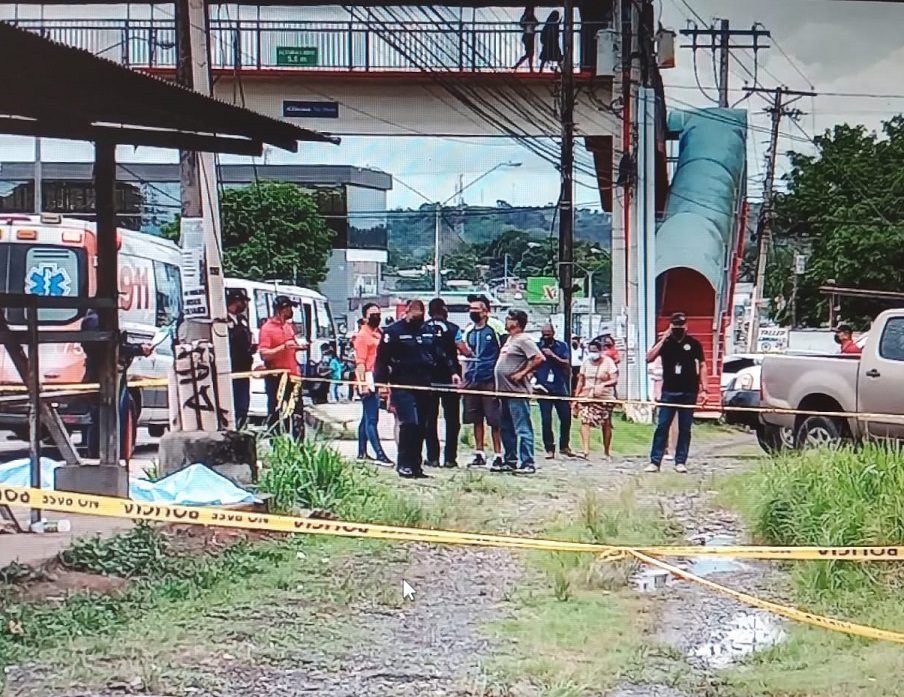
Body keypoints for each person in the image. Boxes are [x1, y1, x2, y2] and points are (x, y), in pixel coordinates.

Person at [374, 299, 437, 479]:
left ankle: (416, 465)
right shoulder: (393, 332)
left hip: (424, 384)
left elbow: (436, 355)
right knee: (409, 423)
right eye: (414, 315)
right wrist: (382, 385)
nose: (418, 318)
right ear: (407, 312)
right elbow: (382, 361)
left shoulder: (427, 331)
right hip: (402, 384)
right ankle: (404, 464)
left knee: (422, 427)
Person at [81, 309, 152, 459]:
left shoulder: (96, 320)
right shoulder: (95, 321)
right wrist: (138, 349)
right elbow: (109, 348)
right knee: (100, 419)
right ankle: (99, 455)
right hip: (102, 378)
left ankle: (103, 453)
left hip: (107, 377)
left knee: (103, 419)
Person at [645, 312, 708, 474]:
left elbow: (702, 365)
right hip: (669, 390)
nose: (678, 329)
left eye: (681, 326)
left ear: (686, 326)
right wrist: (663, 338)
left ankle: (680, 461)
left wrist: (705, 389)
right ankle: (655, 461)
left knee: (685, 428)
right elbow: (649, 358)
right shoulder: (666, 343)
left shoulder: (693, 343)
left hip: (689, 390)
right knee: (662, 426)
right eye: (675, 326)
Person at [494, 309, 545, 474]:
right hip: (504, 392)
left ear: (517, 322)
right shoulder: (510, 339)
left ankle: (527, 462)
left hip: (517, 391)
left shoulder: (524, 339)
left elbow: (539, 358)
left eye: (509, 319)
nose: (506, 321)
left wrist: (523, 373)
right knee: (506, 428)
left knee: (522, 427)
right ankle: (510, 460)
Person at [461, 294, 506, 469]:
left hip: (490, 379)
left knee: (494, 419)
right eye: (471, 309)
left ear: (486, 311)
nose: (473, 312)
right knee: (475, 418)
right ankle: (479, 452)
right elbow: (466, 356)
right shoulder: (469, 331)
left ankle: (498, 454)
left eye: (476, 309)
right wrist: (465, 378)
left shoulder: (495, 327)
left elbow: (504, 350)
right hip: (473, 379)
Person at [258, 295, 308, 436]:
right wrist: (283, 347)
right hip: (276, 377)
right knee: (275, 411)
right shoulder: (267, 329)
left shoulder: (288, 327)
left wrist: (298, 347)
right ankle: (276, 443)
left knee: (297, 412)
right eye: (289, 308)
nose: (291, 311)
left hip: (293, 375)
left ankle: (300, 446)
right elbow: (264, 354)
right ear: (282, 309)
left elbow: (291, 345)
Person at [424, 298, 464, 468]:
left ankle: (432, 457)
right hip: (450, 378)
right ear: (444, 310)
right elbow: (464, 349)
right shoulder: (454, 328)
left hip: (429, 379)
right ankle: (450, 458)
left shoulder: (423, 328)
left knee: (429, 420)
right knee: (452, 420)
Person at [354, 303, 391, 465]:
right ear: (365, 317)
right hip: (368, 377)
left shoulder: (378, 333)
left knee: (366, 417)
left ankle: (362, 452)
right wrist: (362, 383)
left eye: (378, 313)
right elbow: (360, 362)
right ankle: (379, 454)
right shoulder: (363, 336)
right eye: (373, 314)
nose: (377, 317)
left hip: (377, 376)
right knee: (371, 418)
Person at [573, 338, 619, 459]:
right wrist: (576, 398)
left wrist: (603, 384)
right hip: (587, 396)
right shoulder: (586, 363)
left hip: (604, 396)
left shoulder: (608, 362)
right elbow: (580, 381)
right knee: (585, 419)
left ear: (600, 350)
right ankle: (585, 450)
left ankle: (606, 451)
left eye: (595, 350)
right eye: (591, 350)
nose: (593, 353)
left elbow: (614, 379)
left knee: (606, 423)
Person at [535, 324, 575, 459]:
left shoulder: (561, 346)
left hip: (559, 385)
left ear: (553, 333)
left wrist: (552, 356)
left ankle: (564, 445)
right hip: (543, 387)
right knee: (546, 419)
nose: (546, 336)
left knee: (565, 416)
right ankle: (549, 448)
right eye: (544, 333)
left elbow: (566, 363)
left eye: (548, 333)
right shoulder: (537, 346)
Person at [226, 288, 255, 428]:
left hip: (244, 368)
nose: (244, 305)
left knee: (243, 404)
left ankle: (242, 426)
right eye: (242, 302)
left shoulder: (242, 320)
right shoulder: (222, 321)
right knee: (233, 403)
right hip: (231, 368)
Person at [513, 4, 539, 71]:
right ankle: (519, 65)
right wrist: (527, 21)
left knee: (531, 53)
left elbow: (537, 23)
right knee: (529, 53)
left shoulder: (533, 17)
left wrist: (533, 23)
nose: (530, 12)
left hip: (531, 36)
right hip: (527, 36)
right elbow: (521, 23)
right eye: (529, 11)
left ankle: (529, 68)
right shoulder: (525, 17)